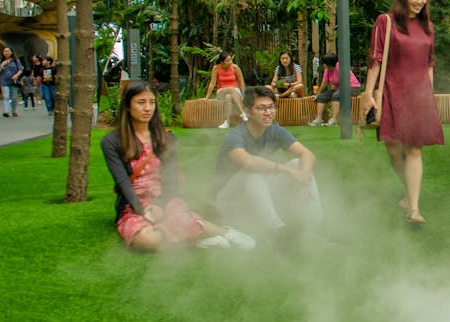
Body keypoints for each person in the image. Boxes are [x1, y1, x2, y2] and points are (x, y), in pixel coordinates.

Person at [102, 81, 255, 252]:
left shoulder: (166, 137)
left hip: (166, 197)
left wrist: (160, 205)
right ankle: (198, 241)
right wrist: (141, 209)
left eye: (151, 102)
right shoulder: (111, 141)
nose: (147, 108)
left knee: (179, 220)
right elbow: (122, 182)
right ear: (128, 106)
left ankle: (226, 232)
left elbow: (171, 178)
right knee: (147, 240)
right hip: (133, 205)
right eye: (141, 102)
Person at [362, 0, 444, 225]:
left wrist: (428, 93)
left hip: (419, 95)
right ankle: (409, 190)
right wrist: (368, 94)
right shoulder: (385, 22)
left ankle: (414, 209)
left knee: (414, 149)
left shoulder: (428, 27)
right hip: (391, 91)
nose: (420, 1)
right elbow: (376, 61)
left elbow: (429, 64)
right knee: (395, 149)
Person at [215, 86, 323, 246]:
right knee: (252, 172)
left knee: (299, 164)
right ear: (248, 111)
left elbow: (307, 154)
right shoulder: (235, 136)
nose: (268, 112)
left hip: (257, 190)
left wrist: (303, 176)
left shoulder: (275, 130)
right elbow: (248, 162)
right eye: (261, 108)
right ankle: (277, 231)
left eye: (271, 107)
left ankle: (316, 226)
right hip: (229, 198)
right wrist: (287, 170)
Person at [309, 53, 361, 127]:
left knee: (336, 95)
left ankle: (334, 119)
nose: (323, 64)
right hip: (339, 89)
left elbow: (345, 81)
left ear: (329, 63)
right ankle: (319, 119)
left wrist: (337, 90)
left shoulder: (340, 67)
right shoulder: (327, 70)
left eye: (324, 63)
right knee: (321, 97)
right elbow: (324, 83)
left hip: (353, 87)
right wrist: (317, 94)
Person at [204, 50, 247, 129]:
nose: (230, 62)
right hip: (221, 91)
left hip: (235, 92)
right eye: (227, 61)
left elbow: (241, 82)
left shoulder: (235, 67)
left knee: (228, 97)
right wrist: (207, 97)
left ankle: (227, 122)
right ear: (221, 62)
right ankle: (242, 112)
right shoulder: (216, 68)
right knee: (231, 89)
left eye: (231, 60)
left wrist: (243, 95)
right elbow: (212, 83)